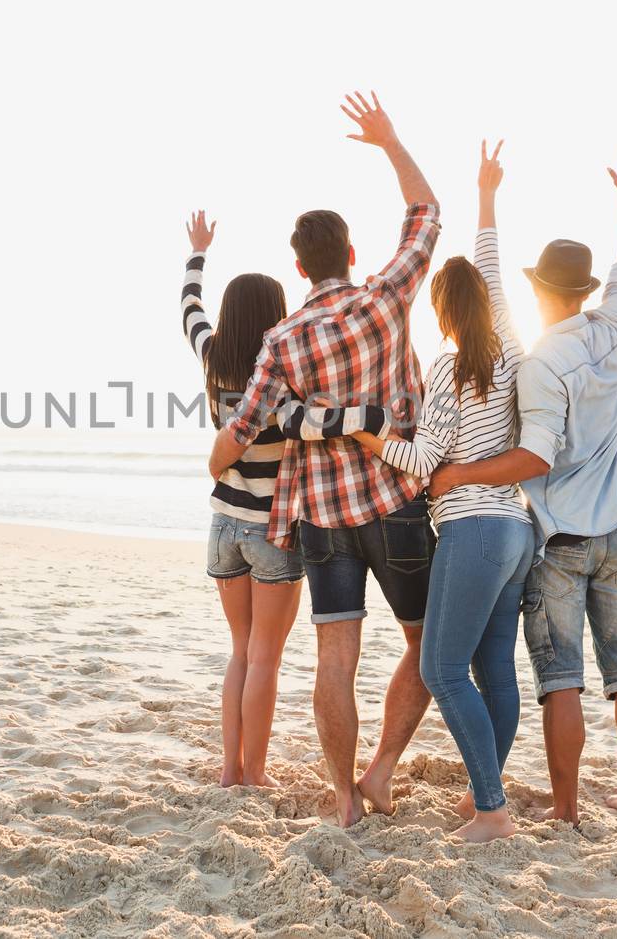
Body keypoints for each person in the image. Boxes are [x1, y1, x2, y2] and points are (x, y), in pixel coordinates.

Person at [208, 91, 441, 827]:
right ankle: (379, 771)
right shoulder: (384, 298)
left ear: (298, 267)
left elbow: (240, 433)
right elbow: (428, 214)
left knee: (333, 658)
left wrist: (223, 460)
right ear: (348, 254)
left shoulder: (279, 342)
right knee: (428, 643)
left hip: (322, 520)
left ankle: (344, 799)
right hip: (398, 502)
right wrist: (390, 141)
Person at [427, 145, 617, 825]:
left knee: (562, 681)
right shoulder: (615, 325)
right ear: (585, 289)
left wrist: (461, 471)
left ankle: (565, 808)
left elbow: (532, 456)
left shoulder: (539, 364)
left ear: (539, 291)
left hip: (558, 539)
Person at [346, 137, 531, 841]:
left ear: (443, 312)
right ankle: (487, 792)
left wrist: (370, 440)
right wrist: (487, 197)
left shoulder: (452, 368)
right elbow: (488, 269)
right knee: (492, 669)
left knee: (441, 667)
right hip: (516, 530)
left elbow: (422, 459)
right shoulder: (510, 352)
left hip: (474, 528)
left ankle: (491, 809)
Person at [179, 211, 384, 788]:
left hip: (222, 524)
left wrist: (197, 254)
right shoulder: (284, 371)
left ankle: (229, 770)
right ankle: (256, 772)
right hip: (272, 530)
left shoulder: (212, 359)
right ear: (276, 315)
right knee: (265, 656)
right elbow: (318, 418)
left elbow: (189, 310)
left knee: (240, 651)